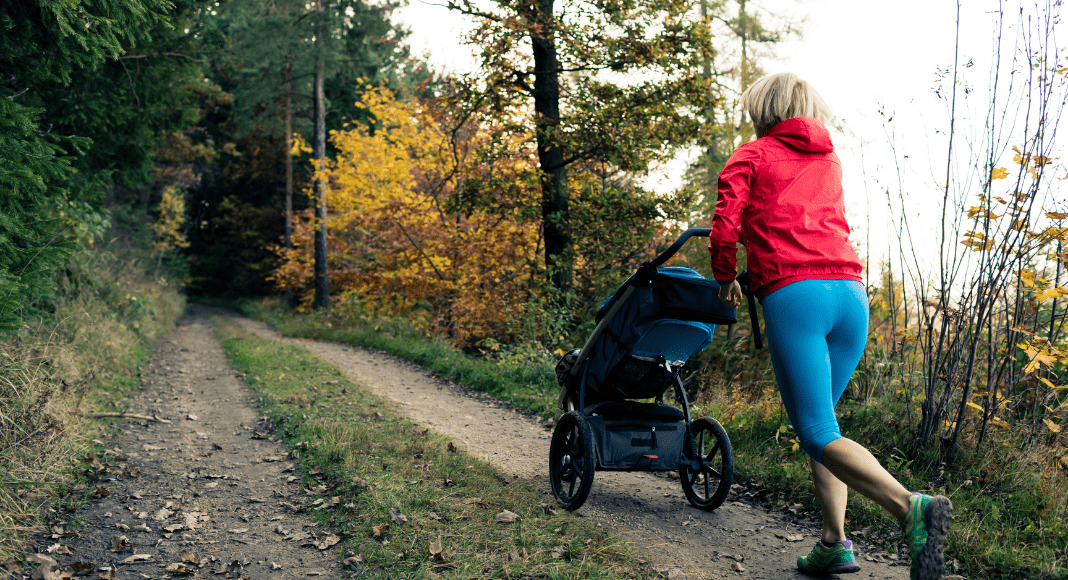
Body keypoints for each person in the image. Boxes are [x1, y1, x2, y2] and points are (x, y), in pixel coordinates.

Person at [709, 72, 953, 580]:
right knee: (824, 428)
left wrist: (725, 276)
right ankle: (834, 542)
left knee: (817, 429)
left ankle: (911, 507)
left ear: (763, 109)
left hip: (796, 296)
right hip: (850, 294)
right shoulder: (829, 158)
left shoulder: (751, 155)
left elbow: (725, 223)